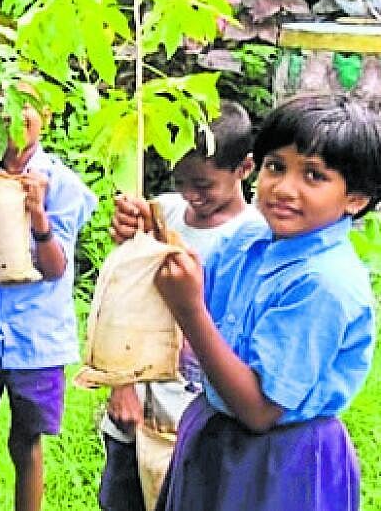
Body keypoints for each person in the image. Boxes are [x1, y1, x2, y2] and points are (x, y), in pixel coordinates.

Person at [112, 93, 379, 511]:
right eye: (276, 167)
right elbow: (191, 294)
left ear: (355, 199)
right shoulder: (248, 240)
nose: (284, 188)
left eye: (313, 176)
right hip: (215, 434)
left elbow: (258, 410)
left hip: (282, 460)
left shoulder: (323, 283)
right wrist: (150, 242)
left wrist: (190, 309)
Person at [98, 100, 262, 511]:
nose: (190, 194)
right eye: (181, 180)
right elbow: (126, 302)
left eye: (203, 185)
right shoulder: (162, 214)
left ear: (244, 168)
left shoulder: (257, 238)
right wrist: (123, 386)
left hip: (199, 421)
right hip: (138, 415)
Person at [0, 96, 96, 511]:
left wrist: (38, 216)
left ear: (48, 115)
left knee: (28, 438)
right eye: (1, 107)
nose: (15, 119)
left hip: (35, 337)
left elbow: (56, 268)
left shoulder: (63, 185)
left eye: (28, 107)